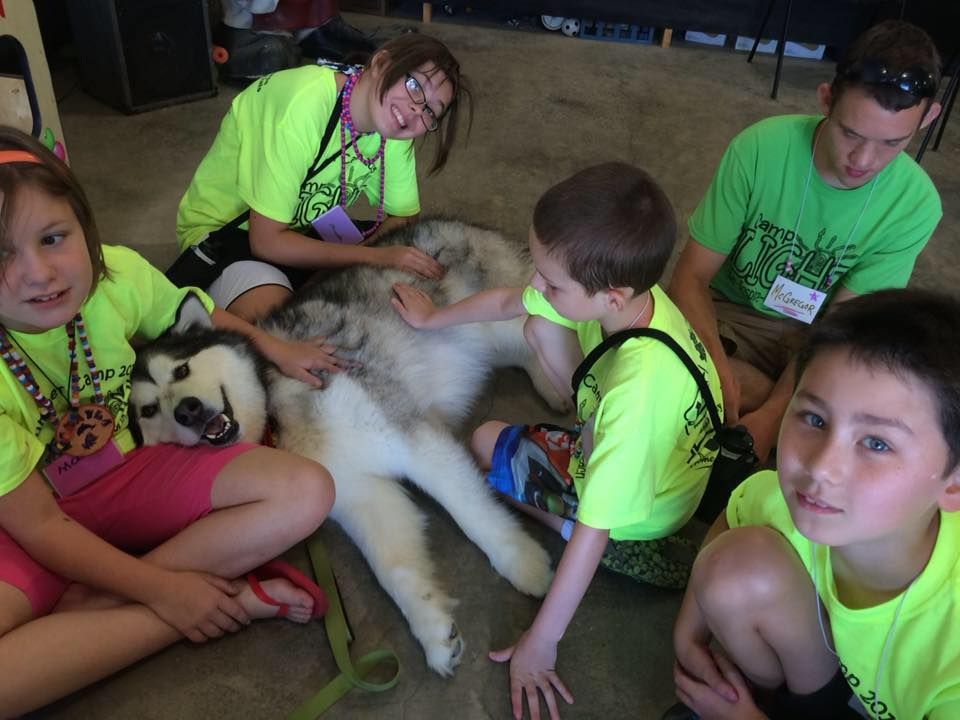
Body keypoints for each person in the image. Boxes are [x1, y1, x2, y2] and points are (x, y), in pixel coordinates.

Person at [0, 126, 337, 715]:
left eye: (54, 238)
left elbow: (205, 316)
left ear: (87, 230)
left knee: (306, 490)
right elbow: (41, 528)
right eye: (1, 254)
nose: (39, 273)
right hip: (33, 520)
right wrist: (168, 595)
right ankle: (223, 598)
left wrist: (277, 349)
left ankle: (95, 610)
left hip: (133, 474)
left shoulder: (120, 276)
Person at [393, 163, 722, 720]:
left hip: (642, 506)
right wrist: (433, 320)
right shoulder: (635, 303)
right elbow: (509, 301)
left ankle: (622, 543)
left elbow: (595, 529)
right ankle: (600, 476)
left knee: (484, 442)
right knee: (538, 324)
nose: (535, 285)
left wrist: (541, 643)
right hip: (663, 465)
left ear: (612, 297)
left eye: (551, 282)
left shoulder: (635, 394)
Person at [669, 289, 960, 720]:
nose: (821, 468)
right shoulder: (799, 502)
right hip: (824, 670)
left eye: (877, 443)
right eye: (814, 419)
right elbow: (736, 513)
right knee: (731, 566)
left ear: (953, 486)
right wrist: (689, 633)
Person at [668, 20, 943, 464]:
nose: (864, 161)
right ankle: (792, 414)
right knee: (648, 350)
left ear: (928, 119)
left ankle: (772, 406)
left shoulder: (916, 206)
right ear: (825, 99)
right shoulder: (760, 149)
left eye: (894, 143)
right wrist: (717, 370)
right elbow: (689, 278)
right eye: (850, 133)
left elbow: (845, 326)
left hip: (821, 337)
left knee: (903, 420)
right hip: (732, 320)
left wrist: (773, 415)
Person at [167, 32, 472, 324]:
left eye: (432, 112)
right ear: (381, 64)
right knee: (285, 328)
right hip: (228, 237)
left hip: (302, 231)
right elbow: (266, 242)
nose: (416, 110)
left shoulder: (395, 127)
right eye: (414, 86)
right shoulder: (301, 106)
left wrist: (358, 259)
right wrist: (370, 258)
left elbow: (404, 218)